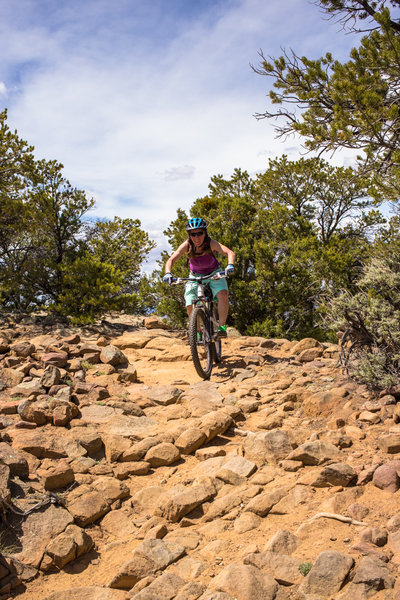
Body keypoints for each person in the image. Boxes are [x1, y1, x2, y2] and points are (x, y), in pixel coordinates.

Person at [163, 217, 235, 337]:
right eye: (193, 234)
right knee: (190, 302)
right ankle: (197, 332)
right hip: (195, 276)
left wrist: (230, 265)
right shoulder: (187, 245)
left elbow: (229, 252)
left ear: (205, 233)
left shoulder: (211, 243)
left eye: (200, 233)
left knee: (223, 294)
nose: (196, 237)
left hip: (214, 274)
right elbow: (171, 259)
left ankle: (222, 327)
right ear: (189, 235)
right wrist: (168, 273)